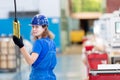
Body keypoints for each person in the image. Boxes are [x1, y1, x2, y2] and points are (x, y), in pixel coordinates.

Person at [12, 14, 57, 80]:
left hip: (38, 77)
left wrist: (21, 46)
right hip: (51, 77)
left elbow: (30, 61)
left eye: (37, 27)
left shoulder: (39, 43)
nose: (34, 29)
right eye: (33, 27)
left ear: (44, 27)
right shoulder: (52, 42)